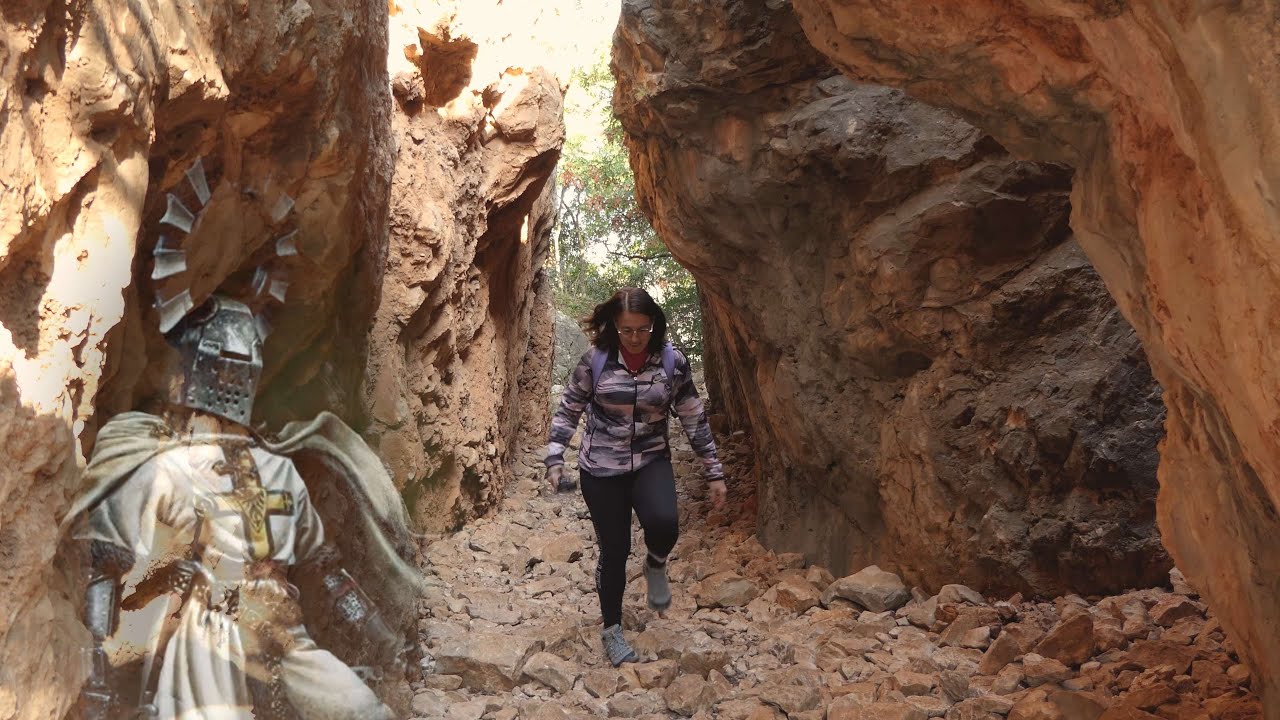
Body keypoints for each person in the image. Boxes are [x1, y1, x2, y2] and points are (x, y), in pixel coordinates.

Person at [545, 287, 727, 666]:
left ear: (654, 324)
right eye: (627, 330)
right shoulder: (595, 361)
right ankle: (612, 629)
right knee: (614, 550)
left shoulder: (671, 362)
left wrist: (713, 471)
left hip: (650, 459)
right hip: (601, 468)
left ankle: (655, 563)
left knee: (665, 524)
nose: (634, 338)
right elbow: (569, 409)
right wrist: (555, 456)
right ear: (615, 325)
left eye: (643, 329)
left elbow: (693, 417)